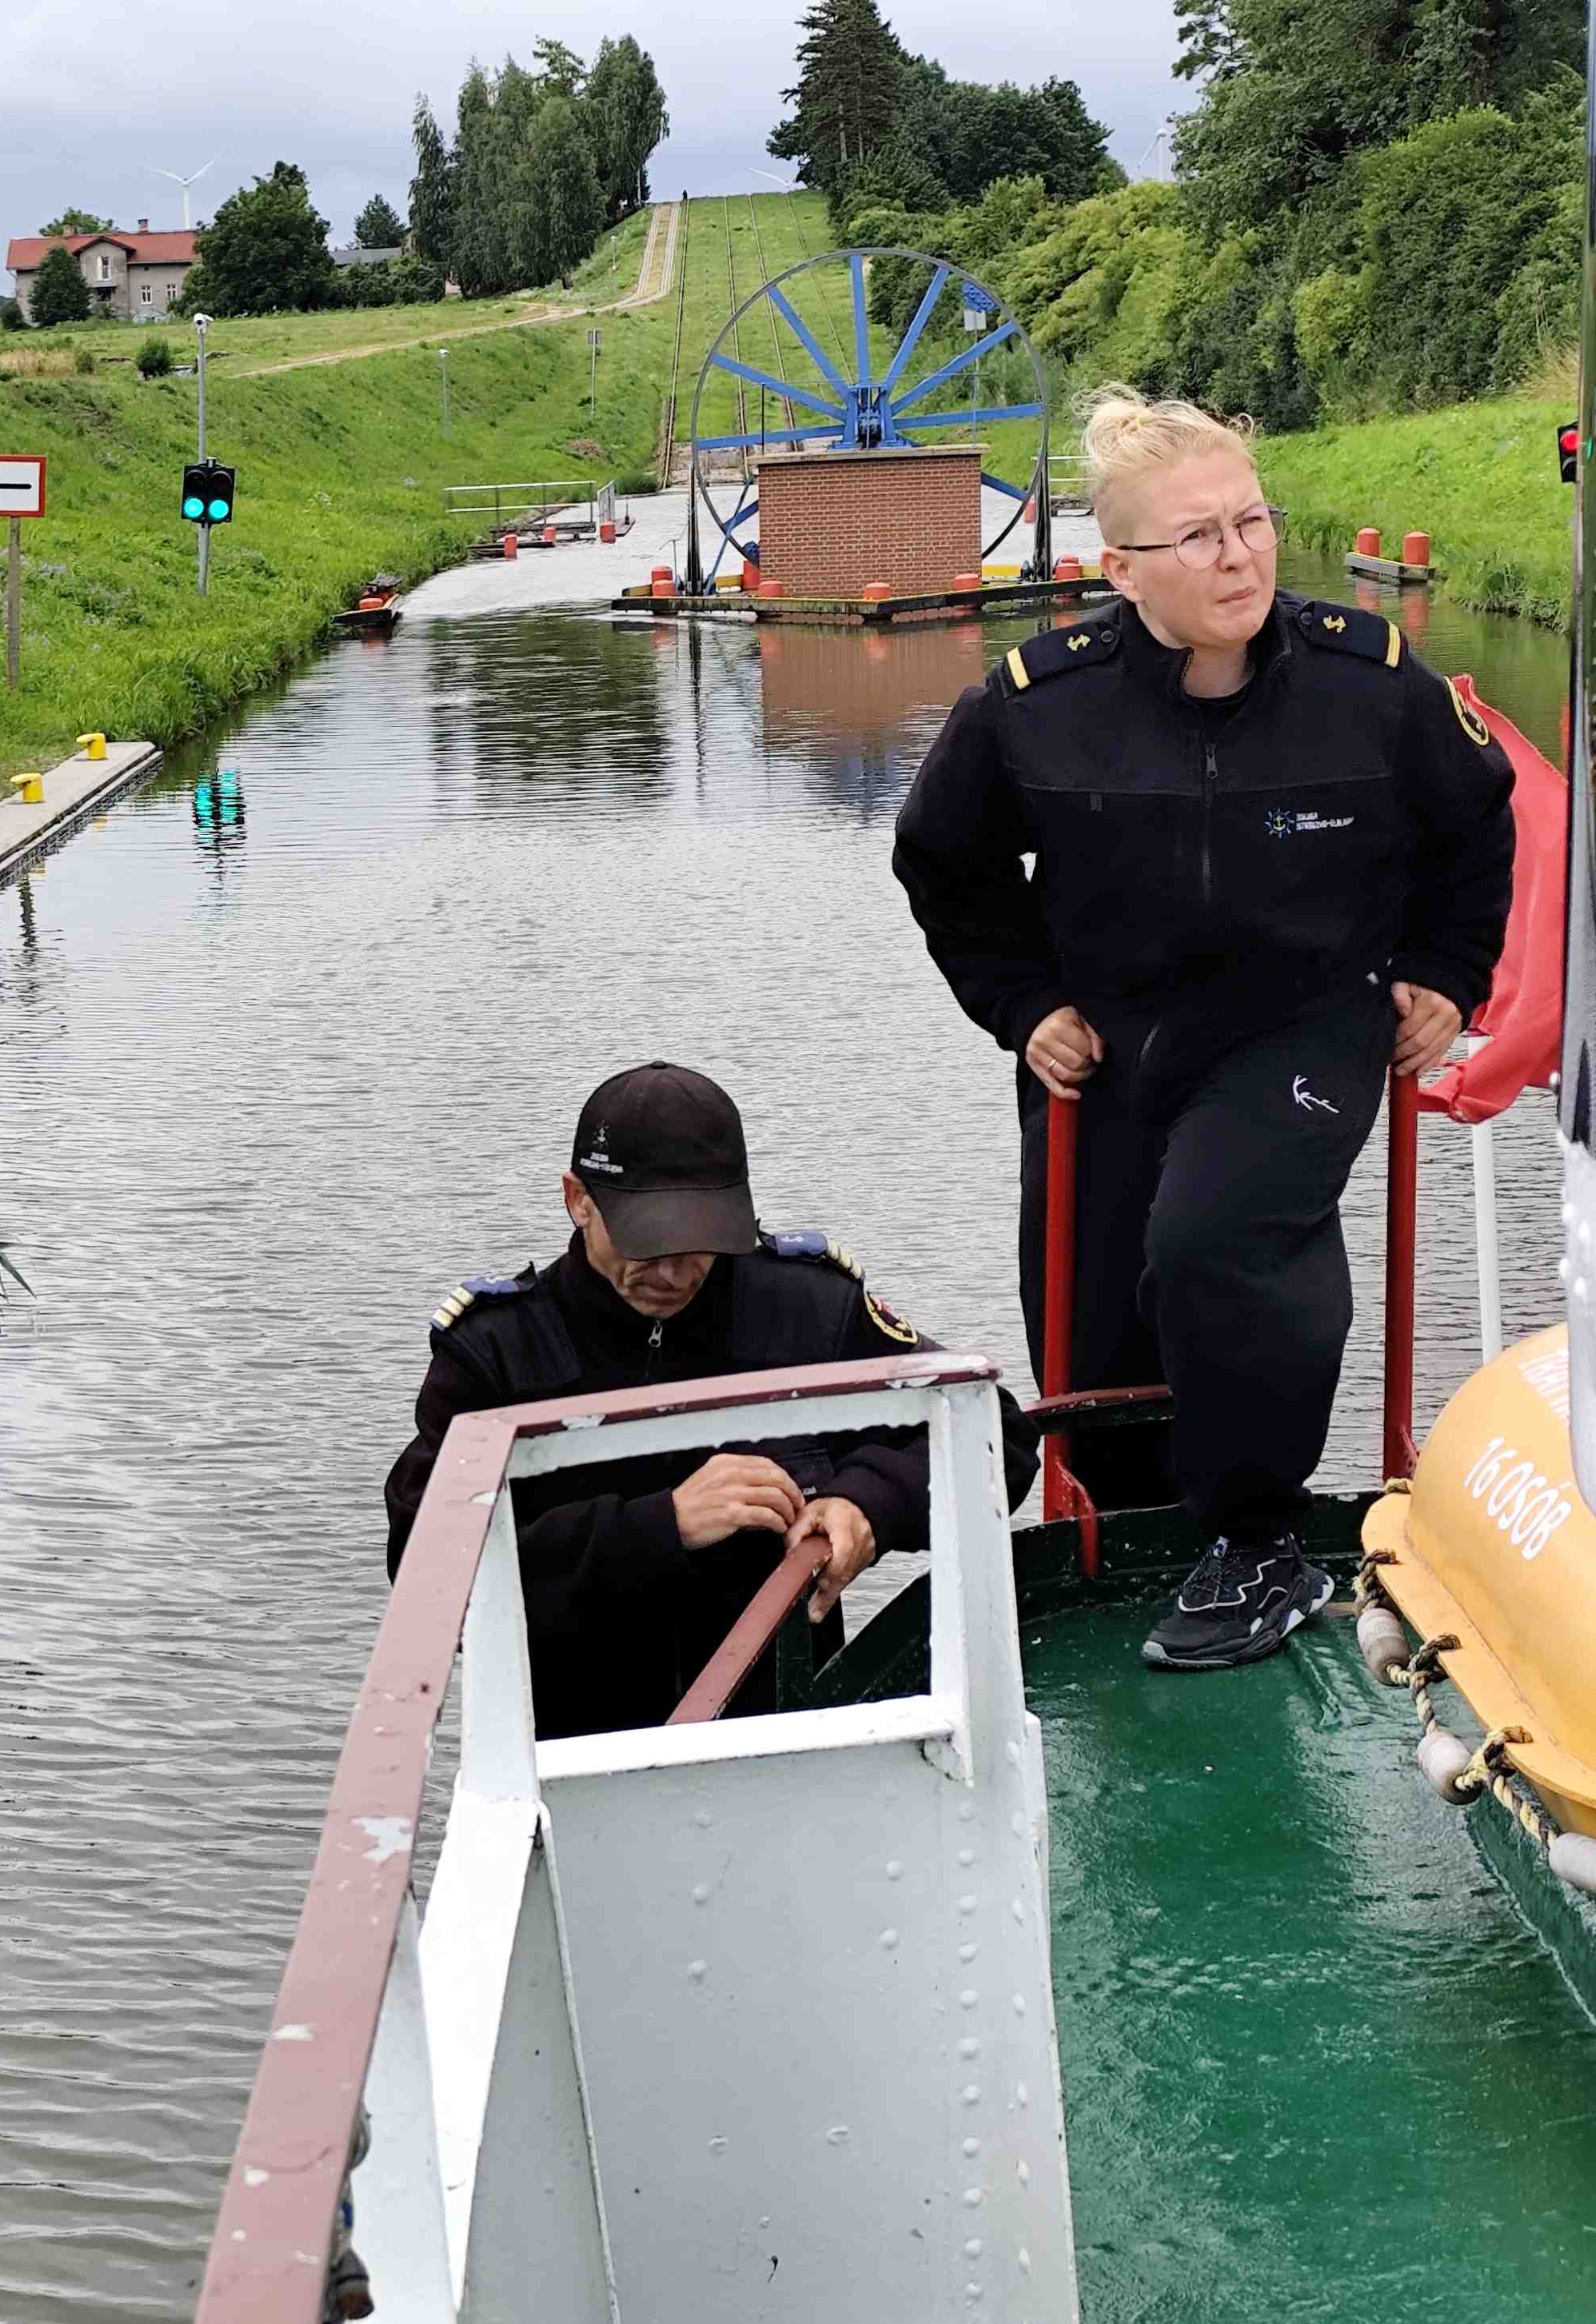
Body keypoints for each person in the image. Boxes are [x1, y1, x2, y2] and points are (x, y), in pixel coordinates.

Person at [893, 385, 1515, 1671]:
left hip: (1304, 1027)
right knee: (1094, 1321)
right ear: (1122, 569)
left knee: (1217, 1243)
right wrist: (1024, 1005)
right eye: (1198, 537)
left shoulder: (1368, 683)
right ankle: (1130, 1534)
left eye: (1252, 521)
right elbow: (943, 864)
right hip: (1109, 1043)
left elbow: (1476, 824)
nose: (1239, 556)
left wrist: (1448, 973)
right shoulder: (1035, 703)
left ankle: (1259, 1538)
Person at [383, 1062, 1031, 1738]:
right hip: (572, 1756)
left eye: (699, 1241)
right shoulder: (497, 1353)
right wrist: (661, 1526)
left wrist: (870, 1503)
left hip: (789, 1742)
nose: (671, 1271)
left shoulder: (809, 1312)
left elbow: (998, 1436)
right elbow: (425, 1567)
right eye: (645, 1239)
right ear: (578, 1200)